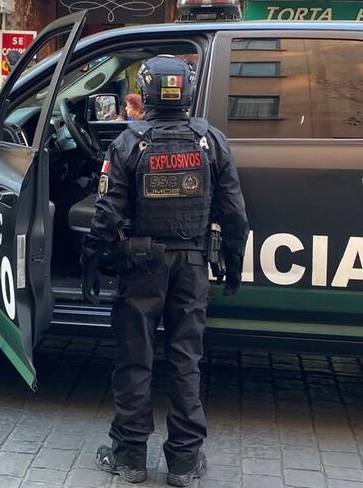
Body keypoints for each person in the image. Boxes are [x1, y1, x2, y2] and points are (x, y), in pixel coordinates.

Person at [80, 55, 249, 487]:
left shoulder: (127, 143)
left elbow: (107, 214)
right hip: (193, 267)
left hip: (140, 268)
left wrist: (91, 262)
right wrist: (232, 264)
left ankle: (130, 459)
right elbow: (234, 214)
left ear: (148, 90)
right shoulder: (211, 141)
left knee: (135, 360)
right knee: (185, 360)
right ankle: (183, 464)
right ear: (187, 91)